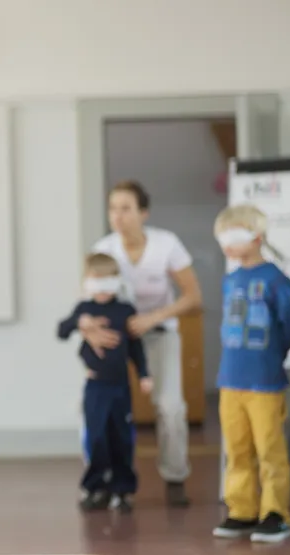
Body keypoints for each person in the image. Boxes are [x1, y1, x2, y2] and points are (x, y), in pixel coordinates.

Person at [84, 180, 202, 507]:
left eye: (126, 208)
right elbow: (85, 306)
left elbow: (193, 296)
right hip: (118, 340)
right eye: (112, 209)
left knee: (170, 407)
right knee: (100, 408)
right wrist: (89, 330)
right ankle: (102, 480)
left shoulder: (167, 244)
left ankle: (175, 475)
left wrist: (153, 317)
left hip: (160, 333)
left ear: (143, 213)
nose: (118, 216)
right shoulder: (104, 250)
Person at [211, 204, 290, 543]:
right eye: (222, 238)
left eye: (234, 236)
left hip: (265, 381)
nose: (227, 244)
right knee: (237, 447)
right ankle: (242, 509)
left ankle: (275, 511)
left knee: (269, 448)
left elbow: (289, 325)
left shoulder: (276, 279)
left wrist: (273, 355)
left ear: (257, 237)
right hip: (230, 380)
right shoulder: (230, 279)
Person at [58, 253, 151, 513]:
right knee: (96, 437)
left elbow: (136, 347)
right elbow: (61, 331)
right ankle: (95, 486)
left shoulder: (125, 311)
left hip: (120, 386)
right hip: (95, 387)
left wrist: (144, 374)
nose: (101, 288)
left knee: (122, 438)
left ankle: (123, 490)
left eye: (107, 281)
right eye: (96, 281)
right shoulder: (84, 309)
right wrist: (81, 323)